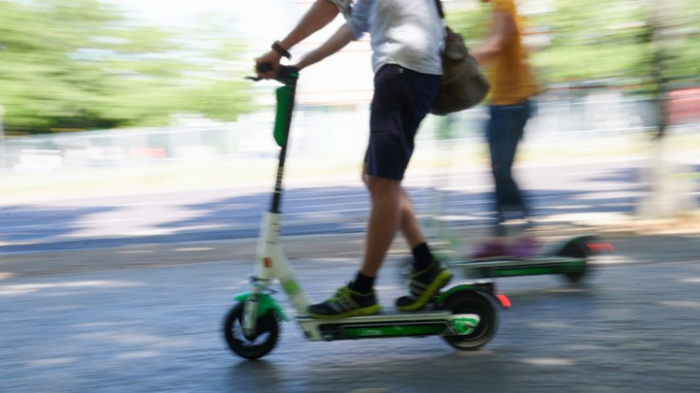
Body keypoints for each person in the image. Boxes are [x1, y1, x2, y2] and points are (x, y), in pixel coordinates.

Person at [256, 0, 451, 319]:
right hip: (407, 68)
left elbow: (333, 10)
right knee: (375, 177)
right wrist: (296, 63)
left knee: (383, 182)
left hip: (403, 67)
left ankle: (362, 291)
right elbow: (353, 22)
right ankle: (426, 265)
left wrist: (281, 50)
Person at [470, 0, 540, 258]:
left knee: (501, 169)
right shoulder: (498, 8)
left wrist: (455, 60)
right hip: (501, 102)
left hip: (513, 103)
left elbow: (494, 46)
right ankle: (498, 238)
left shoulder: (504, 4)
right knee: (497, 170)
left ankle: (527, 234)